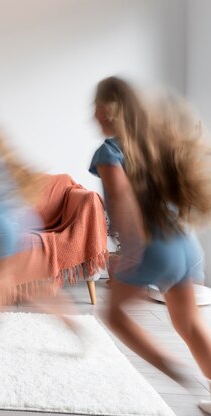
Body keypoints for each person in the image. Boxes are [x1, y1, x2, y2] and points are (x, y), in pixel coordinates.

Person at [89, 76, 211, 413]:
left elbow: (122, 199)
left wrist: (131, 251)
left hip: (152, 246)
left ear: (109, 109)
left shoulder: (109, 151)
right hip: (184, 245)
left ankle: (178, 372)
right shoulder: (155, 144)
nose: (93, 116)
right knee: (188, 324)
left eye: (96, 108)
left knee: (114, 315)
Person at [0, 104, 78, 341]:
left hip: (9, 227)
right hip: (26, 220)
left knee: (3, 281)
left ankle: (70, 325)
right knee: (9, 280)